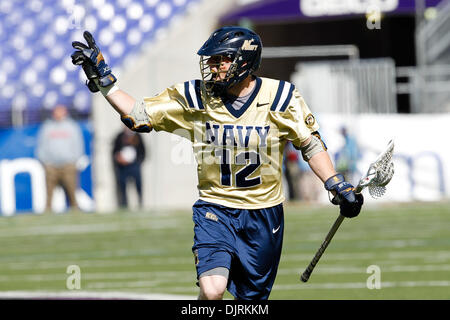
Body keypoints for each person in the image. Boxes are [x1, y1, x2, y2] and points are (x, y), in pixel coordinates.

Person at [71, 27, 363, 300]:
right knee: (212, 290)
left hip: (264, 214)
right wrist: (105, 81)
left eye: (221, 60)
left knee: (251, 302)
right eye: (211, 61)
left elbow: (310, 144)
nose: (212, 67)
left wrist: (335, 183)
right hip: (216, 208)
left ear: (245, 62)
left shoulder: (281, 98)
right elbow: (138, 115)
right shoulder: (197, 95)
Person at [36, 104, 85, 213]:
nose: (57, 114)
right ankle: (48, 210)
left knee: (72, 189)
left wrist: (74, 159)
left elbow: (78, 144)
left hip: (68, 164)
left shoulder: (72, 126)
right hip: (51, 165)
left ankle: (75, 209)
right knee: (49, 191)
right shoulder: (47, 126)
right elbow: (41, 145)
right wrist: (45, 161)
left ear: (65, 112)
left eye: (60, 111)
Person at [112, 126, 146, 209]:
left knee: (138, 185)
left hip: (134, 166)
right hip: (123, 167)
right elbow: (114, 151)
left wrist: (138, 162)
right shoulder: (119, 136)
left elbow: (143, 151)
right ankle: (124, 205)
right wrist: (118, 158)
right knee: (122, 186)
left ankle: (140, 203)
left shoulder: (137, 136)